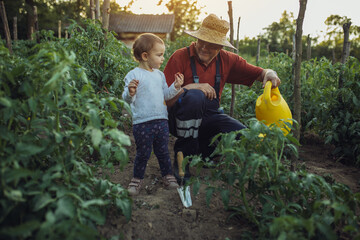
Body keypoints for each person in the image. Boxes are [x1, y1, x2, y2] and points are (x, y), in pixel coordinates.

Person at [163, 14, 281, 182]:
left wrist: (271, 74)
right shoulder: (180, 57)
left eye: (211, 44)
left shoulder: (227, 60)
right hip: (177, 120)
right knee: (195, 96)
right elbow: (165, 100)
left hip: (208, 118)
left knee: (244, 135)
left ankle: (204, 151)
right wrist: (191, 87)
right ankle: (182, 159)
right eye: (201, 41)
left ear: (220, 47)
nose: (203, 47)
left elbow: (261, 73)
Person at [122, 33, 184, 196]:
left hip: (162, 121)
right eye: (159, 55)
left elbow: (165, 94)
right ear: (145, 56)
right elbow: (127, 99)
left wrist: (176, 87)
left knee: (163, 150)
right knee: (143, 152)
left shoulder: (160, 75)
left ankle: (168, 176)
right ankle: (137, 179)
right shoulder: (133, 75)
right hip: (142, 122)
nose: (163, 58)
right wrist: (131, 91)